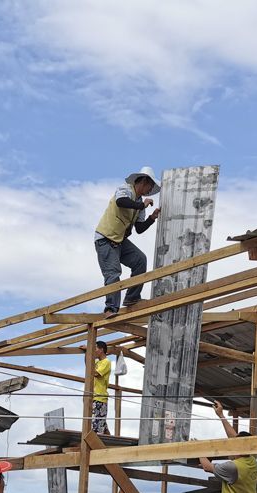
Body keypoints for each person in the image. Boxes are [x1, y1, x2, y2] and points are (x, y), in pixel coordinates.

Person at [94, 167, 162, 317]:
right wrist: (141, 205)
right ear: (144, 182)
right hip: (105, 238)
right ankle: (110, 308)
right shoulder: (125, 190)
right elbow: (121, 202)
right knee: (113, 273)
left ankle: (132, 298)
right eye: (150, 187)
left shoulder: (140, 204)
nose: (150, 190)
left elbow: (139, 228)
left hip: (119, 241)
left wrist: (152, 218)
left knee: (140, 260)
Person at [91, 340, 112, 435]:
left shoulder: (106, 362)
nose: (94, 351)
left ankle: (99, 446)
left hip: (100, 397)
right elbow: (89, 367)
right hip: (94, 397)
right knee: (100, 424)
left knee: (97, 428)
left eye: (95, 348)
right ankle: (112, 444)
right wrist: (87, 353)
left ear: (101, 350)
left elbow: (96, 373)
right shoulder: (97, 362)